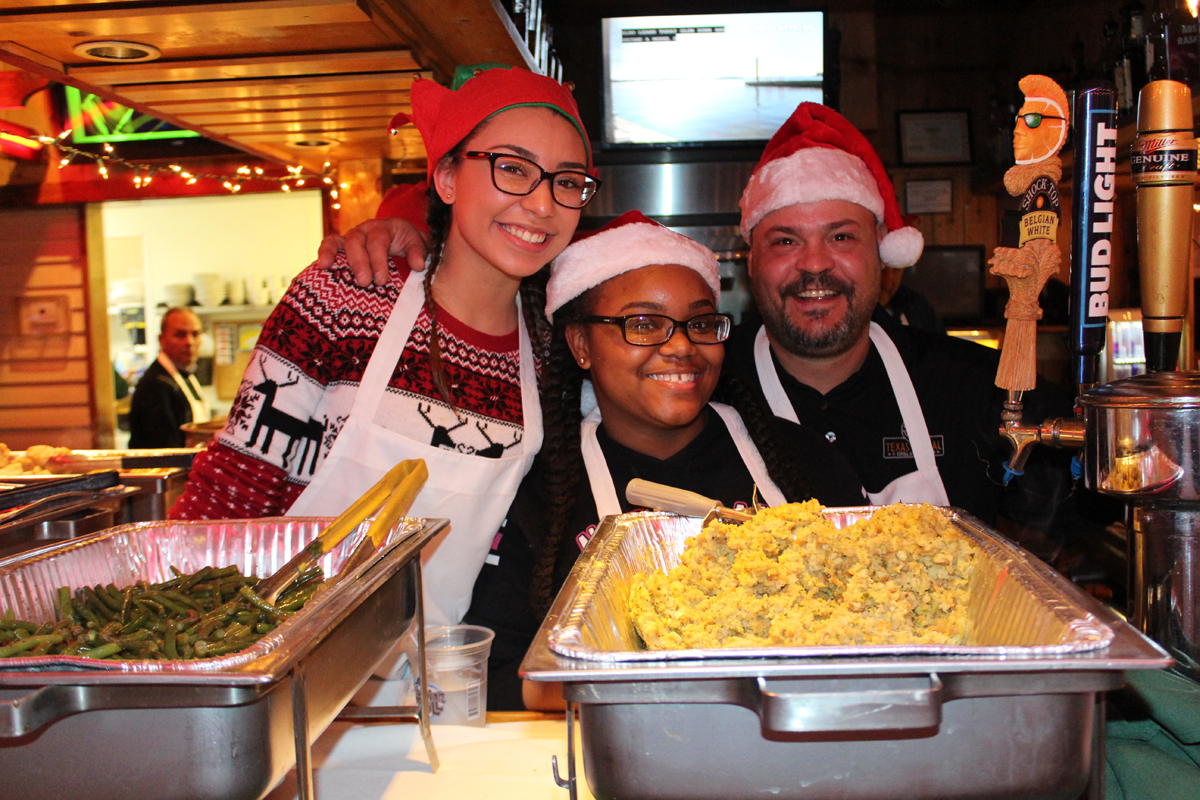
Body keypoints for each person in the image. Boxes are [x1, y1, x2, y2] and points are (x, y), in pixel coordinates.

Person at [170, 63, 599, 627]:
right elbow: (235, 487)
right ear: (446, 177)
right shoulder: (347, 295)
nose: (542, 204)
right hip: (275, 659)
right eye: (511, 168)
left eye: (567, 181)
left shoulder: (549, 351)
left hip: (435, 675)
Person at [461, 212, 864, 710]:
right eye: (644, 324)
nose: (680, 346)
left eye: (699, 323)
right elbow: (486, 672)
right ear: (581, 344)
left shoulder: (803, 461)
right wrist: (626, 682)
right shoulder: (538, 490)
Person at [725, 102, 1076, 537]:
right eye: (785, 240)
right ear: (752, 261)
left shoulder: (980, 389)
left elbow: (1072, 518)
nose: (814, 264)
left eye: (841, 237)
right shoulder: (706, 390)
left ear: (881, 254)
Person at [128, 307, 209, 449]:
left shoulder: (184, 375)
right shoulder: (155, 385)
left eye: (195, 334)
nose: (189, 342)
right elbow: (164, 448)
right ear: (161, 340)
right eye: (180, 335)